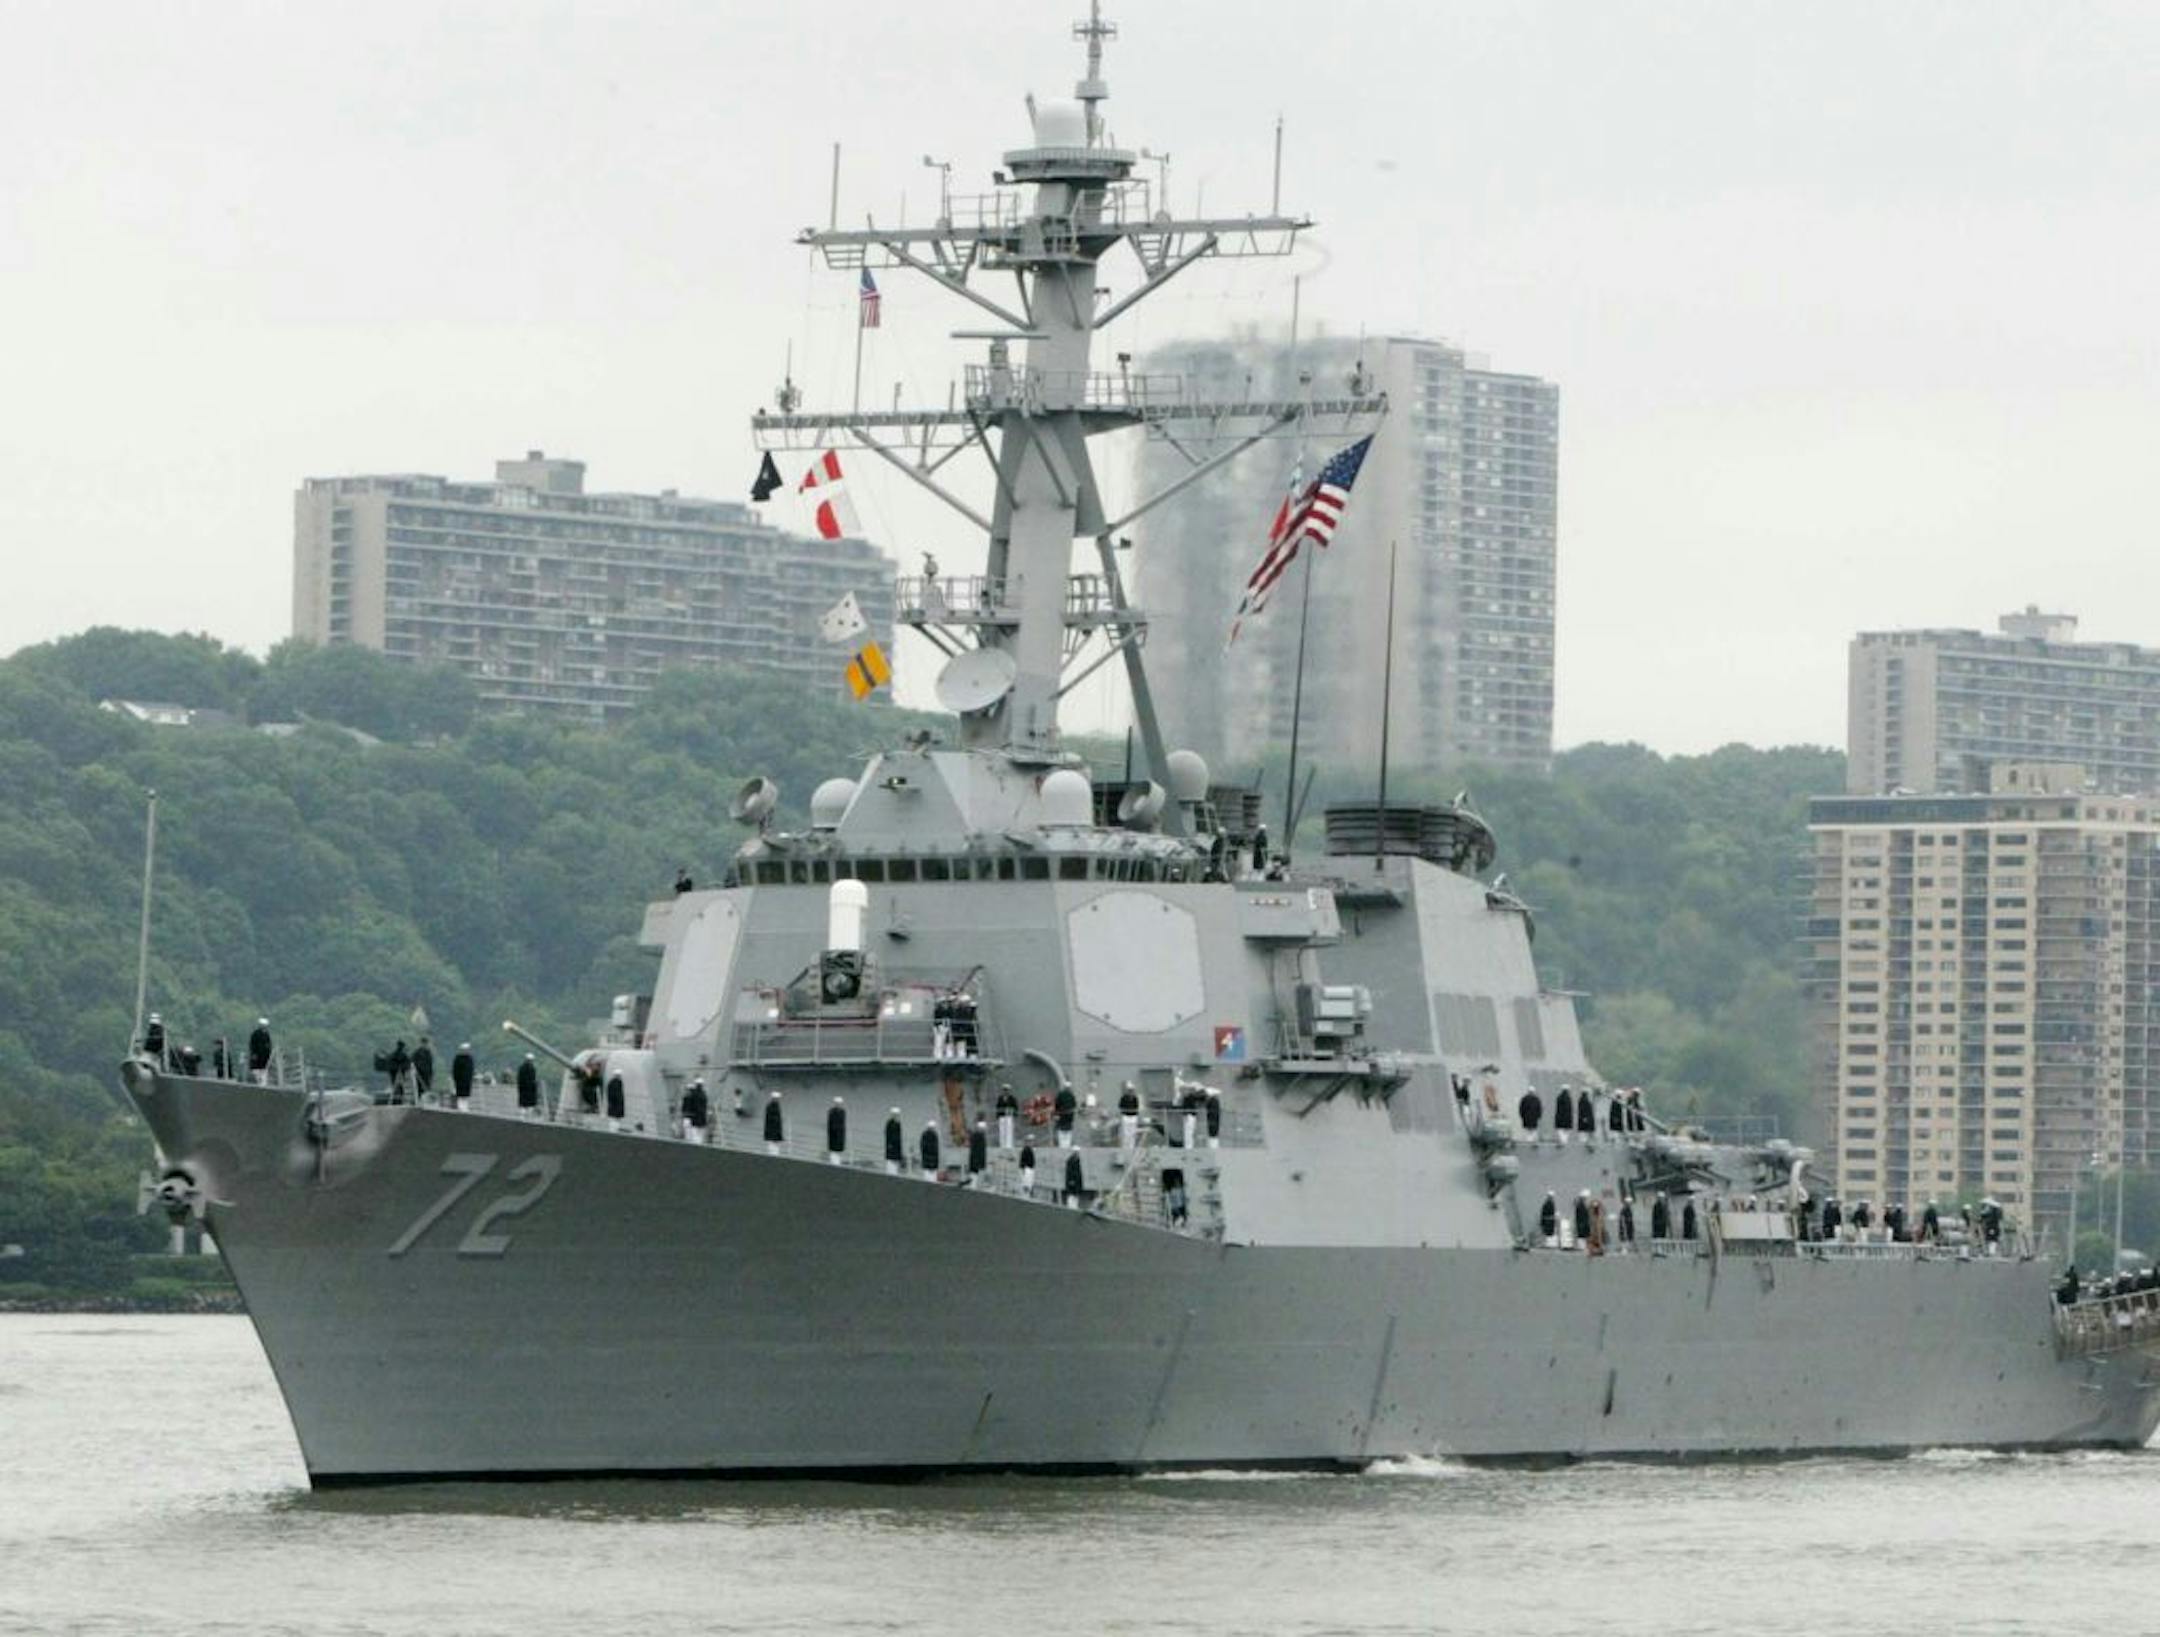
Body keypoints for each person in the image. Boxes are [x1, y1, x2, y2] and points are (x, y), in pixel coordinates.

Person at [247, 1017, 273, 1082]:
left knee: (264, 1072)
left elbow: (269, 1046)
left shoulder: (267, 1035)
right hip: (257, 1057)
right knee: (256, 1072)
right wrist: (253, 1054)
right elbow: (252, 1045)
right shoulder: (255, 1034)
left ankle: (263, 1084)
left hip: (265, 1058)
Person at [451, 1043, 476, 1111]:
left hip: (467, 1080)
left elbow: (471, 1070)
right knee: (460, 1094)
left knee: (466, 1095)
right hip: (460, 1080)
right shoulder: (458, 1058)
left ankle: (465, 1107)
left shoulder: (470, 1059)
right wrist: (455, 1078)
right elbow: (455, 1070)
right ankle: (460, 1107)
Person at [412, 1037, 435, 1103]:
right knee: (419, 1088)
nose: (424, 1045)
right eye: (423, 1043)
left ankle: (426, 1101)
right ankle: (418, 1101)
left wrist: (431, 1074)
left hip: (427, 1073)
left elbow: (430, 1064)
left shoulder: (428, 1053)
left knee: (427, 1087)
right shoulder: (417, 1052)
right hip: (419, 1073)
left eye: (425, 1043)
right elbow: (412, 1061)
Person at [1118, 1082, 1140, 1149]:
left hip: (1133, 1117)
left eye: (1132, 1090)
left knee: (1132, 1133)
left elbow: (1136, 1106)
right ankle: (1125, 1147)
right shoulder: (1124, 1098)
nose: (1131, 1092)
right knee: (1126, 1133)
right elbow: (1120, 1106)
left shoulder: (1135, 1098)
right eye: (1130, 1090)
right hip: (1126, 1116)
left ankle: (1131, 1146)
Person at [995, 1084, 1019, 1149]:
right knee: (1002, 1131)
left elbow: (1015, 1107)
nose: (1006, 1092)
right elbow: (998, 1107)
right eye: (1004, 1090)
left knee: (1009, 1131)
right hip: (1002, 1116)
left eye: (1007, 1090)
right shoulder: (1000, 1098)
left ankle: (1009, 1145)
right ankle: (1002, 1145)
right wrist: (997, 1116)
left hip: (1009, 1117)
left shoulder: (1012, 1098)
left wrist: (1014, 1114)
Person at [826, 1096, 847, 1162]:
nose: (839, 1105)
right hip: (833, 1135)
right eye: (837, 1103)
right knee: (833, 1153)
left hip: (840, 1135)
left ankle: (837, 1163)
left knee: (838, 1152)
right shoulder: (831, 1112)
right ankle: (834, 1163)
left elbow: (842, 1123)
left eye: (840, 1103)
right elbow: (830, 1124)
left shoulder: (843, 1112)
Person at [885, 1108, 905, 1175]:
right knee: (891, 1168)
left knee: (895, 1167)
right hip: (892, 1150)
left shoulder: (898, 1124)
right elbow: (889, 1136)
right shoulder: (890, 1124)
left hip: (896, 1150)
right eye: (896, 1115)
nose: (897, 1116)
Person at [764, 1091, 785, 1155]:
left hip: (775, 1132)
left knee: (775, 1148)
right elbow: (770, 1120)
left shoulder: (775, 1106)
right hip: (773, 1132)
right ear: (774, 1098)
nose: (778, 1100)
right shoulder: (771, 1107)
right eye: (777, 1098)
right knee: (772, 1149)